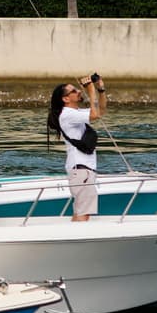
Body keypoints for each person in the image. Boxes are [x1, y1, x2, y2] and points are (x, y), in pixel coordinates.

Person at [46, 76, 107, 222]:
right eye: (74, 91)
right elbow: (94, 114)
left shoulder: (75, 112)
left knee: (81, 210)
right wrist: (90, 90)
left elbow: (100, 112)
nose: (79, 91)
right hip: (81, 168)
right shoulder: (67, 114)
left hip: (81, 169)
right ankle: (78, 233)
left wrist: (100, 89)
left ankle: (74, 232)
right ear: (65, 99)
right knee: (83, 212)